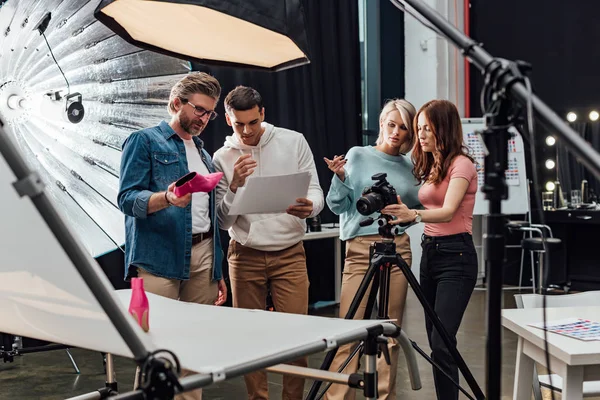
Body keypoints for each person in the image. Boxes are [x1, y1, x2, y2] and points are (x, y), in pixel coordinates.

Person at [117, 72, 227, 400]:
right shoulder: (144, 141)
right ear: (176, 103)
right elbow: (126, 198)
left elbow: (207, 216)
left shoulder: (205, 155)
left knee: (194, 349)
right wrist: (165, 198)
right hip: (157, 256)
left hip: (204, 254)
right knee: (158, 350)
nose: (205, 119)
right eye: (199, 110)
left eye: (210, 113)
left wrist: (216, 268)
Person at [213, 85, 324, 400]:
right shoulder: (222, 157)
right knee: (250, 339)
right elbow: (223, 222)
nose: (247, 131)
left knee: (297, 337)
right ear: (227, 119)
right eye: (239, 124)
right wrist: (234, 186)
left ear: (263, 113)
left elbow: (316, 189)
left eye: (252, 122)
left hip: (290, 253)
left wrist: (311, 206)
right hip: (244, 254)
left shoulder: (293, 141)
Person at [323, 99, 420, 400]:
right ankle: (337, 397)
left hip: (397, 247)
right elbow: (337, 205)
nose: (395, 132)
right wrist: (339, 179)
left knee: (390, 332)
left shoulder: (411, 167)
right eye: (391, 124)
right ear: (381, 123)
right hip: (360, 247)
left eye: (403, 127)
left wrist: (405, 219)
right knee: (348, 331)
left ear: (410, 133)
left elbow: (418, 210)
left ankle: (382, 397)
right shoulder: (358, 155)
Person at [381, 99, 478, 400]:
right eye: (419, 128)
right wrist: (403, 210)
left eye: (427, 128)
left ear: (444, 128)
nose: (420, 134)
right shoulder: (431, 164)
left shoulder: (461, 164)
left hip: (457, 258)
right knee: (438, 342)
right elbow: (424, 208)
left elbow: (448, 211)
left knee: (442, 343)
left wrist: (414, 215)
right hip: (431, 255)